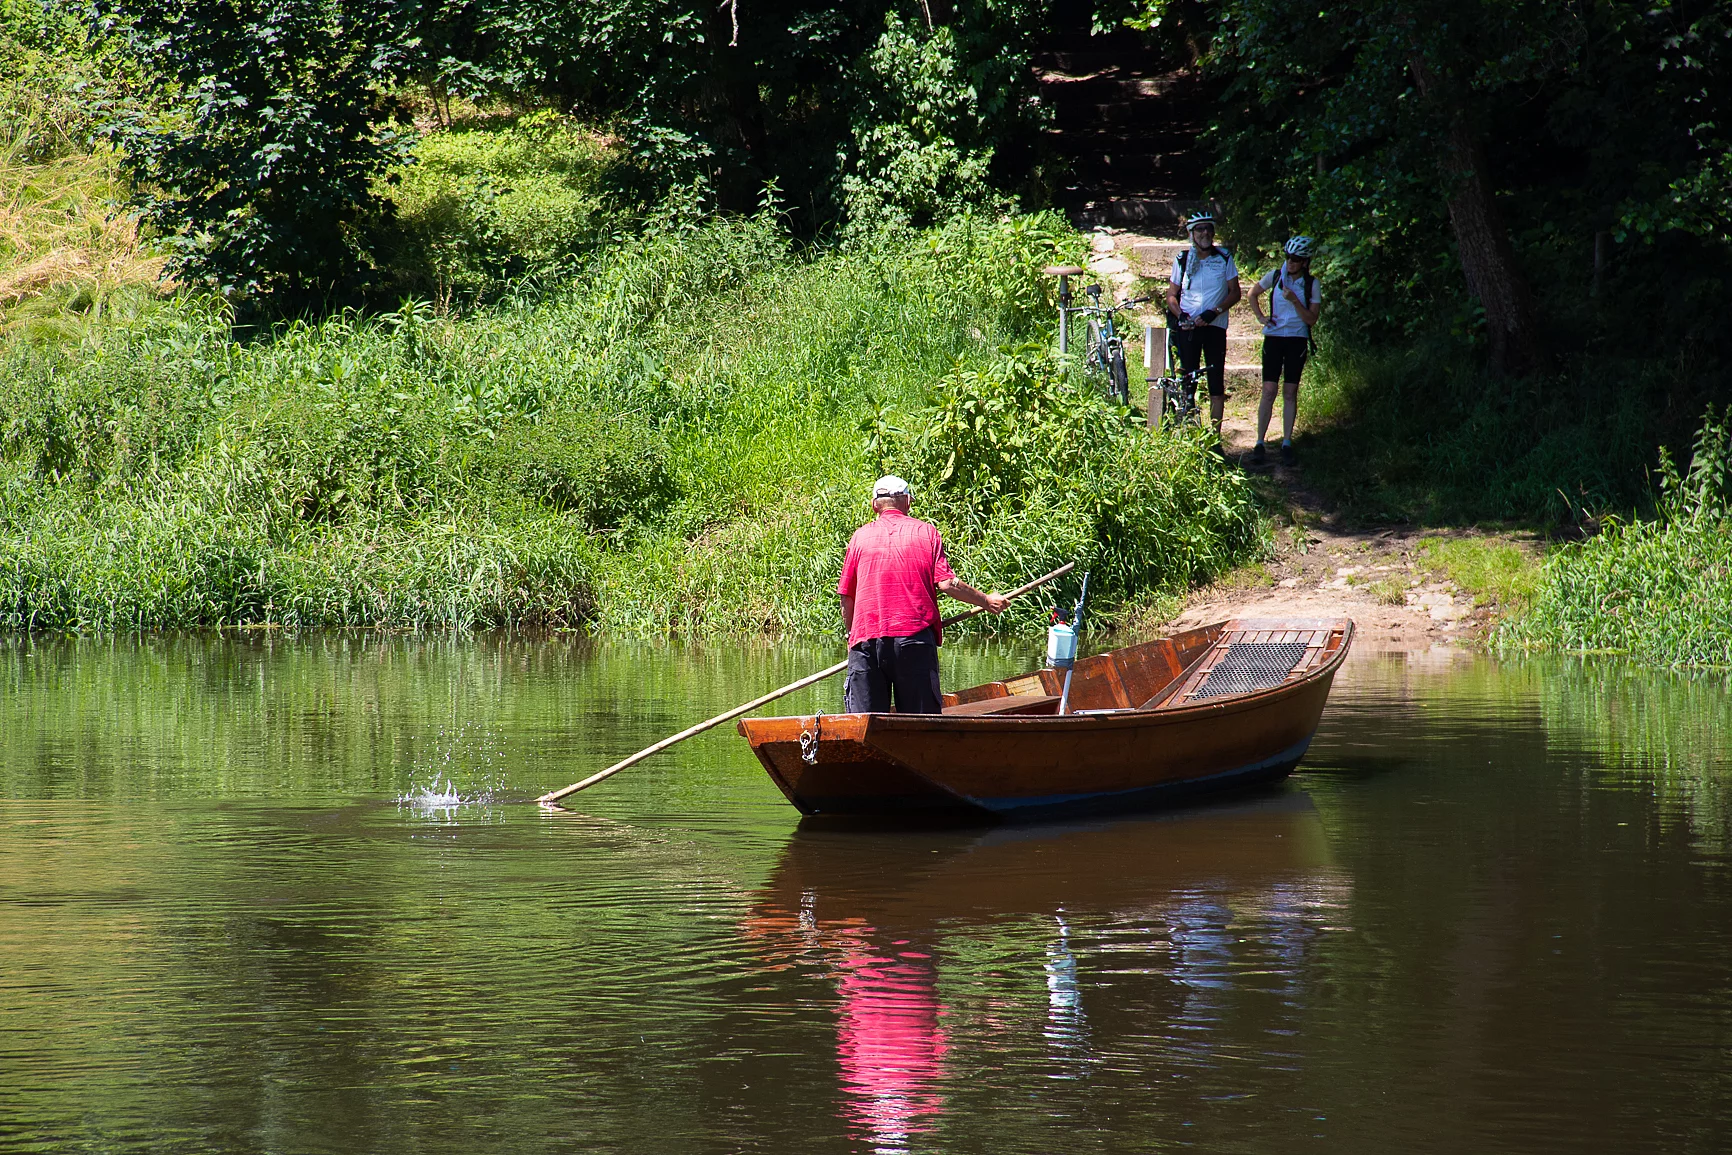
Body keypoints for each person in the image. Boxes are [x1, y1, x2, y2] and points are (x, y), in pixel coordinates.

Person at [837, 476, 1008, 714]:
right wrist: (986, 600)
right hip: (914, 641)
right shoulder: (926, 532)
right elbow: (948, 584)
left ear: (874, 505)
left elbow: (846, 597)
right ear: (907, 501)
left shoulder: (859, 537)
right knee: (922, 725)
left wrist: (851, 637)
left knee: (865, 726)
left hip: (865, 642)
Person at [1247, 235, 1323, 466]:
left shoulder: (1312, 284)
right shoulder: (1275, 276)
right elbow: (1252, 293)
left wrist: (1295, 302)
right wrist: (1261, 317)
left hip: (1296, 340)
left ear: (1305, 262)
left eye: (1296, 259)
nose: (1291, 262)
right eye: (1288, 257)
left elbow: (1311, 319)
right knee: (1269, 390)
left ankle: (1287, 443)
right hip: (1274, 338)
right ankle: (1260, 442)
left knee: (1290, 392)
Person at [1164, 211, 1241, 435]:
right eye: (1199, 229)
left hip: (1215, 327)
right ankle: (1189, 433)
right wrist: (1180, 315)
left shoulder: (1224, 257)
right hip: (1188, 328)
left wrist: (1214, 312)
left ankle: (1215, 438)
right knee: (1189, 380)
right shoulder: (1182, 259)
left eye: (1208, 228)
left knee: (1216, 382)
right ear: (1191, 234)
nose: (1205, 232)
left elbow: (1235, 293)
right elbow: (1171, 295)